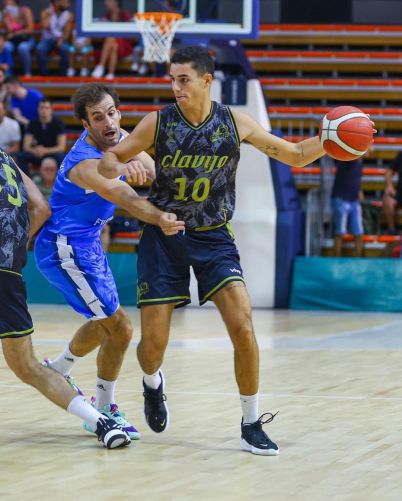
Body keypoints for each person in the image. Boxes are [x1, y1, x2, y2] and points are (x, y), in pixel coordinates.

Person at [96, 45, 340, 457]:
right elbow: (107, 162)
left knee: (243, 327)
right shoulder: (157, 123)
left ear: (207, 80)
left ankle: (250, 424)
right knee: (152, 347)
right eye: (172, 79)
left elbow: (296, 155)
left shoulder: (235, 122)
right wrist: (124, 165)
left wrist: (332, 140)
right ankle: (153, 382)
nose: (176, 87)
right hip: (163, 238)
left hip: (214, 238)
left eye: (184, 79)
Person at [34, 82, 184, 440]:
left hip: (88, 246)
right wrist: (159, 217)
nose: (108, 122)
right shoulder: (84, 164)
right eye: (98, 118)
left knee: (105, 321)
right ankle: (103, 409)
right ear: (86, 125)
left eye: (112, 113)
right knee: (120, 328)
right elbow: (128, 199)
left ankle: (60, 367)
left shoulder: (121, 139)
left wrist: (148, 168)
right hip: (64, 248)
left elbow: (156, 171)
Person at [0, 148, 131, 449]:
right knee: (28, 366)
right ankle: (102, 423)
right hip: (8, 272)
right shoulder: (7, 159)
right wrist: (12, 252)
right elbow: (41, 209)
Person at [16, 97, 67, 174]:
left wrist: (45, 150)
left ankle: (60, 180)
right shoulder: (32, 124)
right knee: (21, 156)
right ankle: (26, 180)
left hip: (51, 153)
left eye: (46, 108)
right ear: (37, 109)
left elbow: (61, 147)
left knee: (62, 157)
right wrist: (35, 150)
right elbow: (26, 146)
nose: (44, 110)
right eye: (41, 107)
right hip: (37, 153)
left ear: (51, 109)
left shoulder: (59, 124)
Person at [91, 0, 132, 80]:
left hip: (123, 44)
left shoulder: (125, 15)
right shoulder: (107, 16)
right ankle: (110, 74)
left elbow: (128, 33)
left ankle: (101, 66)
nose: (106, 3)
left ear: (116, 2)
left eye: (109, 1)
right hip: (112, 45)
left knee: (111, 38)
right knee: (114, 46)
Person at [331, 158, 364, 257]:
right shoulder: (346, 158)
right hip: (341, 199)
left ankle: (358, 259)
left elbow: (355, 179)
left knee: (359, 233)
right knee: (340, 232)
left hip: (354, 200)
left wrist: (359, 190)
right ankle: (336, 259)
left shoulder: (359, 163)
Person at [37, 0, 73, 76]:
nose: (68, 4)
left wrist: (62, 39)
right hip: (47, 39)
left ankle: (62, 74)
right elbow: (45, 25)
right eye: (65, 1)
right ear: (57, 2)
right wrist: (50, 14)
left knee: (65, 48)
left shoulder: (68, 15)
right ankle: (44, 74)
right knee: (40, 48)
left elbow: (67, 32)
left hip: (60, 38)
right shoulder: (45, 12)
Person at [2, 0, 35, 77]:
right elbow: (9, 31)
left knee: (23, 48)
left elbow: (30, 29)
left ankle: (27, 73)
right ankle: (8, 73)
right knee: (6, 46)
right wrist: (7, 20)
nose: (5, 2)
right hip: (13, 40)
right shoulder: (6, 13)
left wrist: (16, 33)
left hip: (26, 39)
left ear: (14, 1)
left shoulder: (25, 10)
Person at [383, 151, 402, 235]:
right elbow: (389, 170)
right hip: (400, 194)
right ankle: (392, 230)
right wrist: (389, 186)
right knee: (387, 198)